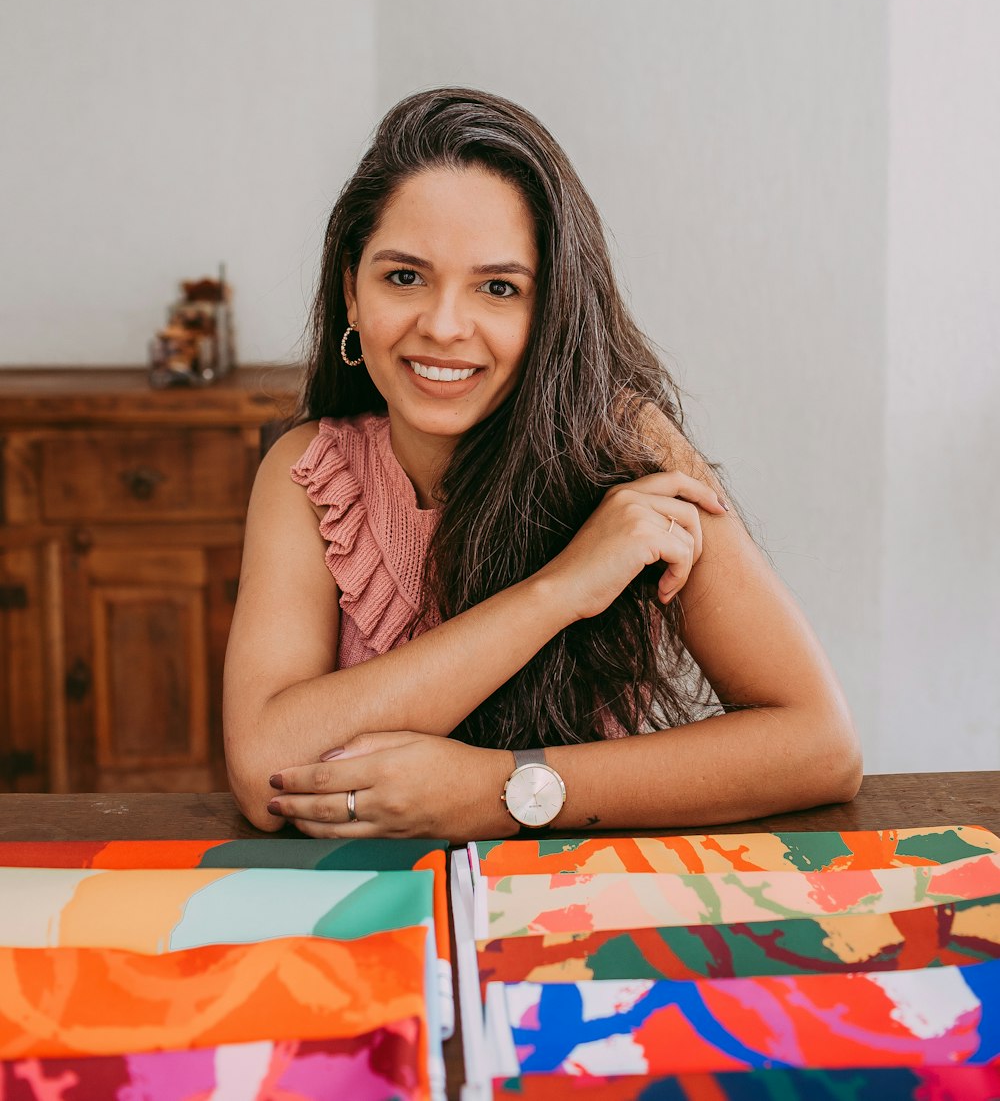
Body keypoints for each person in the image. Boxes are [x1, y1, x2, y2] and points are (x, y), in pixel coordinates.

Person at [223, 88, 862, 838]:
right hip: (371, 923)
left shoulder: (629, 450)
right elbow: (265, 764)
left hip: (579, 918)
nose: (444, 326)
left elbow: (819, 746)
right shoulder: (311, 473)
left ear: (550, 309)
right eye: (404, 277)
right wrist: (557, 591)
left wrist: (502, 789)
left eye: (498, 288)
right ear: (351, 295)